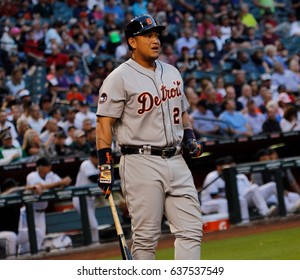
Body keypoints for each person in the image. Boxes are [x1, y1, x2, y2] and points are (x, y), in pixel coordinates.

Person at [96, 14, 203, 260]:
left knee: (192, 230)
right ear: (133, 42)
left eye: (156, 35)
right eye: (147, 35)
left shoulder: (172, 72)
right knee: (145, 238)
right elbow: (103, 125)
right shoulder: (118, 77)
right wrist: (104, 164)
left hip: (176, 159)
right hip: (140, 161)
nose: (155, 40)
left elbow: (183, 113)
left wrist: (189, 137)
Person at [201, 156, 277, 224]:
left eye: (231, 164)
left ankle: (266, 212)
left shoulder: (240, 175)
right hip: (209, 203)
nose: (230, 166)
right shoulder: (212, 176)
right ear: (218, 167)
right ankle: (228, 225)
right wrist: (232, 199)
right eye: (226, 165)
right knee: (227, 202)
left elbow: (249, 189)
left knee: (257, 187)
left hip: (240, 198)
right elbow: (214, 196)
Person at [18, 157, 72, 253]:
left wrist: (62, 183)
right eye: (46, 166)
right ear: (39, 167)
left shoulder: (50, 175)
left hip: (41, 213)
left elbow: (62, 184)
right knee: (26, 240)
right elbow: (40, 187)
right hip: (29, 211)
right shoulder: (32, 176)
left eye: (49, 165)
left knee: (40, 237)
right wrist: (59, 183)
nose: (49, 167)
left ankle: (36, 259)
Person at [0, 178, 43, 257]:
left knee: (37, 233)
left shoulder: (17, 199)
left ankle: (27, 259)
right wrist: (31, 187)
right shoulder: (2, 197)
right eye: (14, 187)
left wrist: (36, 188)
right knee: (11, 236)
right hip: (2, 235)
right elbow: (10, 192)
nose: (17, 189)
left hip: (15, 233)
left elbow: (28, 193)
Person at [72, 149, 100, 244]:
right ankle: (95, 244)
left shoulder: (97, 165)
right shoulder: (86, 164)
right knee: (94, 226)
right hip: (80, 199)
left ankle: (93, 244)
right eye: (97, 158)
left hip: (90, 198)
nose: (99, 160)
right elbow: (93, 178)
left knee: (91, 225)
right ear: (92, 157)